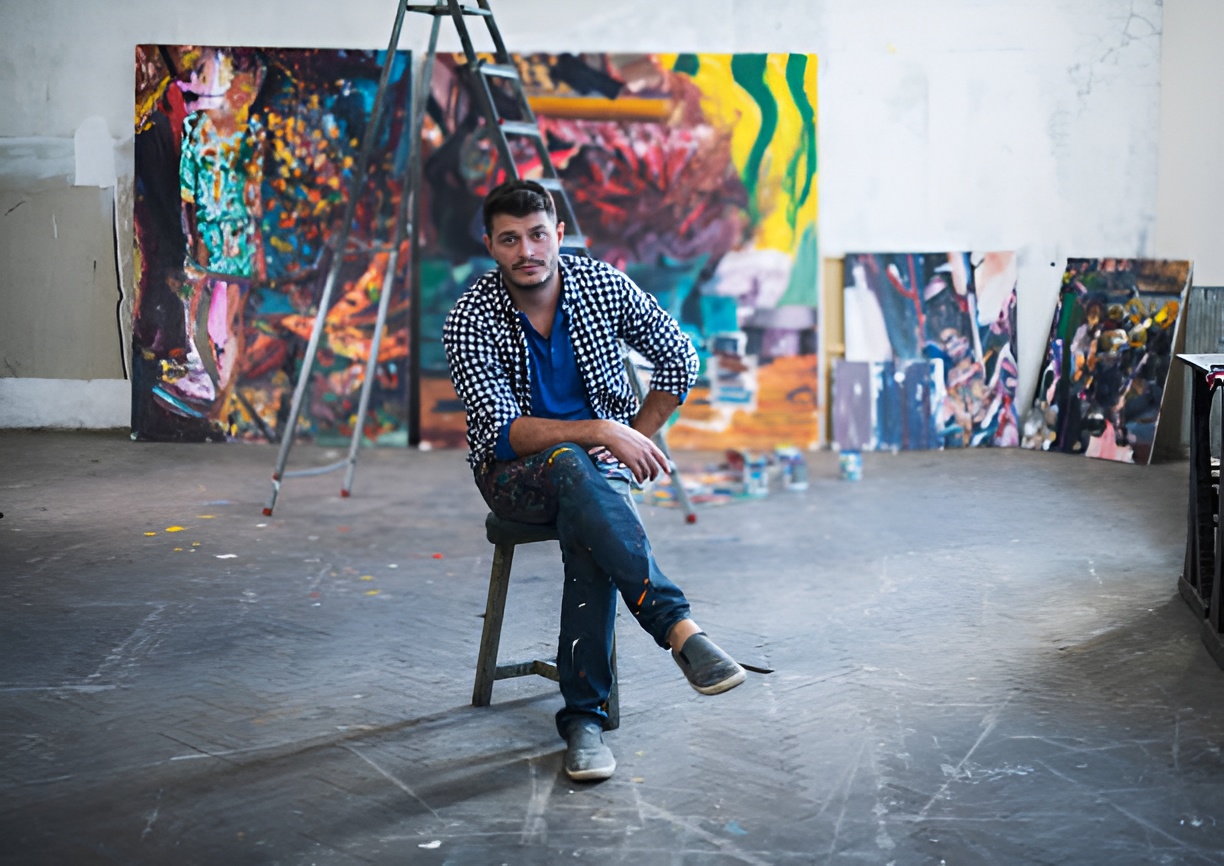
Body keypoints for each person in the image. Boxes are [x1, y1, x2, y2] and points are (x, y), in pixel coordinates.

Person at [443, 179, 746, 782]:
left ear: (557, 234)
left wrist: (636, 431)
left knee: (586, 512)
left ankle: (584, 725)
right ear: (491, 245)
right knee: (571, 467)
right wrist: (604, 431)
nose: (526, 250)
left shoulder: (599, 285)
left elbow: (679, 356)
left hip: (593, 476)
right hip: (511, 477)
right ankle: (678, 630)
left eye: (536, 235)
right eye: (510, 239)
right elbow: (503, 432)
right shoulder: (469, 317)